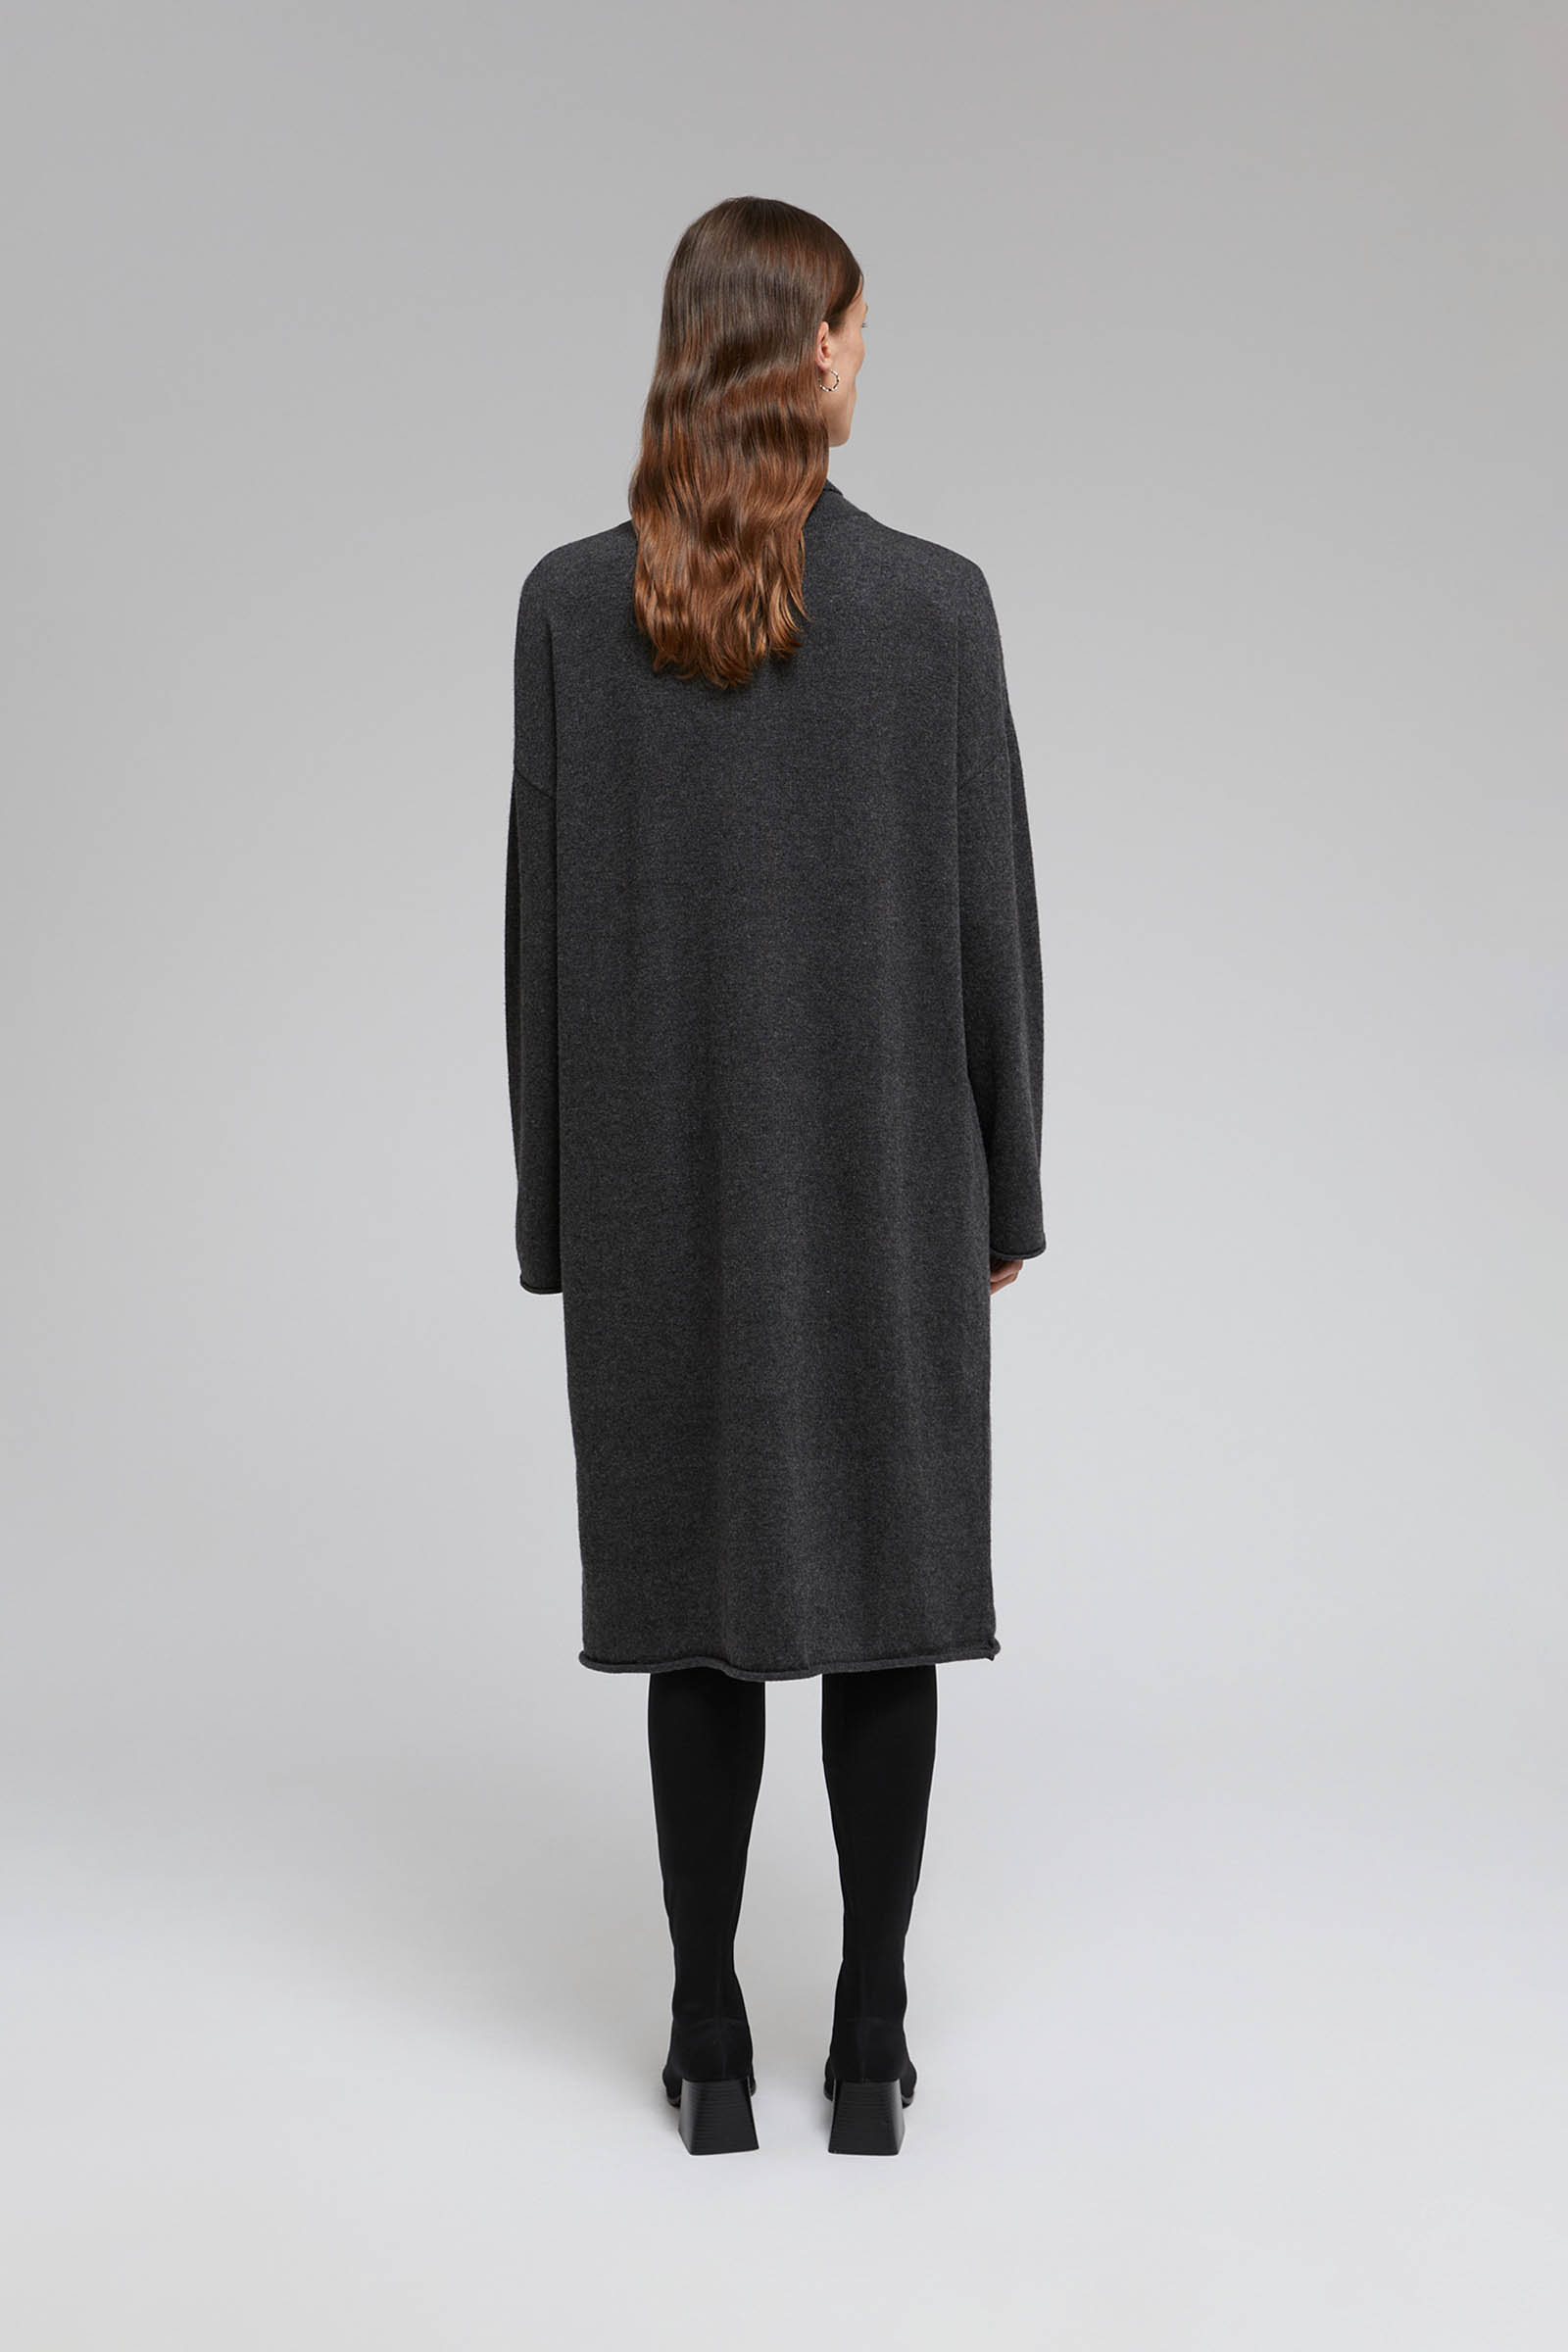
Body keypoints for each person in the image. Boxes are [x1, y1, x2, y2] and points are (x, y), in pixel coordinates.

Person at [504, 196, 1045, 2156]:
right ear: (807, 349)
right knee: (887, 1594)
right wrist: (1006, 1194)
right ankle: (871, 2044)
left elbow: (540, 938)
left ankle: (708, 2038)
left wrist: (559, 1211)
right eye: (858, 328)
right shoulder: (937, 608)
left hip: (665, 1197)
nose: (865, 356)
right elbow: (993, 928)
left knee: (697, 1605)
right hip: (889, 1179)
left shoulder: (574, 608)